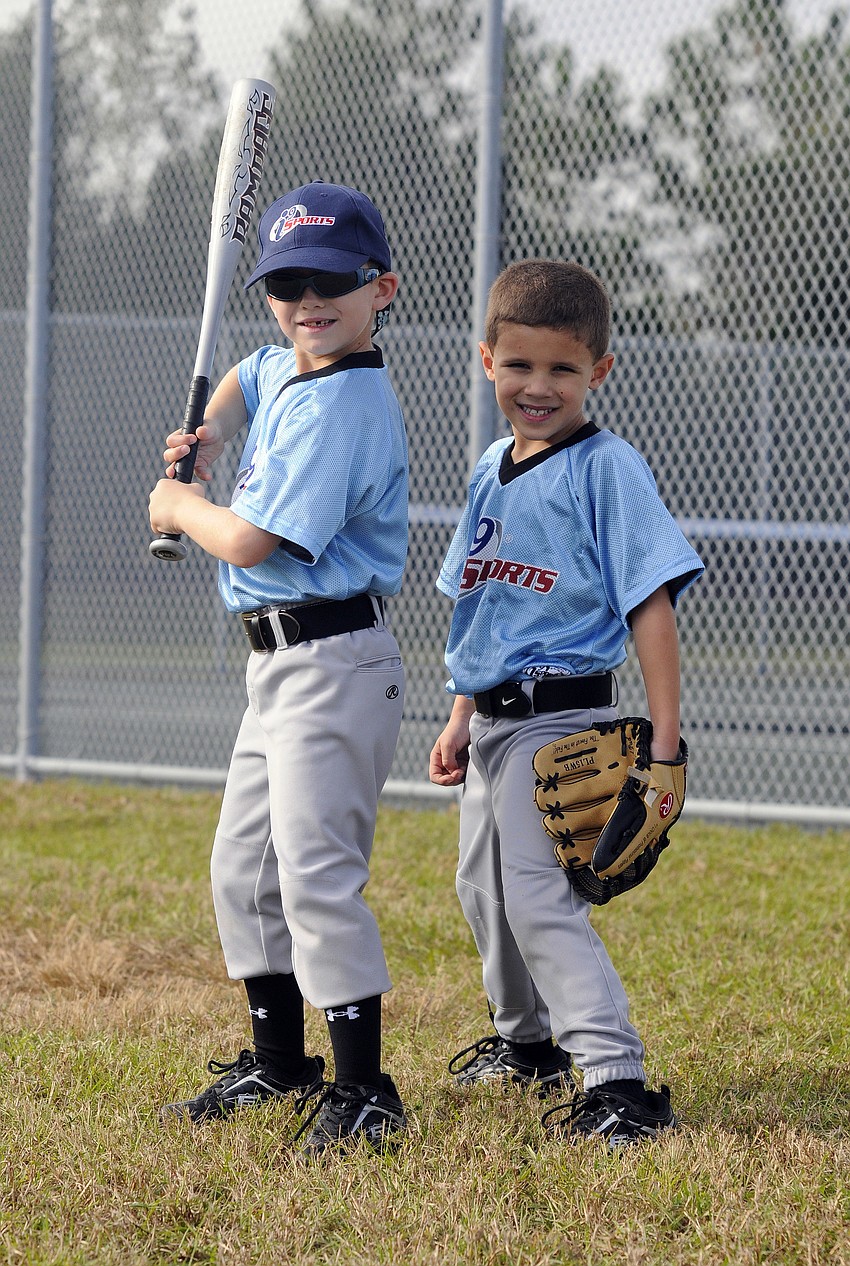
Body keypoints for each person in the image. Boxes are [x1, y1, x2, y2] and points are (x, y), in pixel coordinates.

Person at [149, 181, 408, 1159]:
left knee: (313, 878)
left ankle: (365, 1089)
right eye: (287, 284)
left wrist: (179, 505)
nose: (308, 301)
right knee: (241, 869)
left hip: (334, 658)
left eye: (332, 282)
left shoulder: (345, 399)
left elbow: (252, 542)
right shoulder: (294, 367)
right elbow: (247, 379)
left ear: (381, 287)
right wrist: (210, 435)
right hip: (284, 669)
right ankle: (279, 1062)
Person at [429, 258, 704, 1149]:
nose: (538, 387)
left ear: (600, 372)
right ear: (486, 361)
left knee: (540, 896)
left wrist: (665, 746)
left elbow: (651, 603)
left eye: (562, 369)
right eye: (520, 366)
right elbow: (483, 604)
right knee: (482, 889)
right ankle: (527, 1045)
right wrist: (463, 714)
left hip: (564, 715)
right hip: (495, 721)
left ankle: (618, 1081)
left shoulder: (607, 468)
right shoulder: (488, 469)